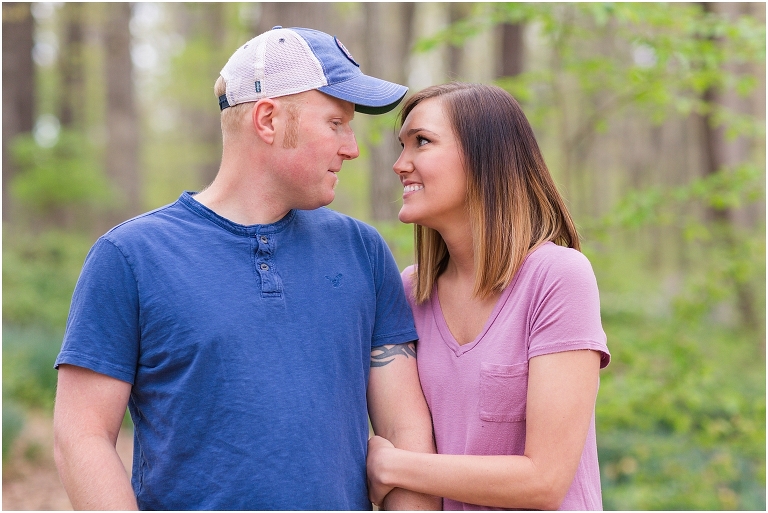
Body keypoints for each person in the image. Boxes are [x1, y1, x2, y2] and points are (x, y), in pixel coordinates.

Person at [53, 26, 439, 511]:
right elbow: (81, 436)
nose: (353, 148)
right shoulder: (130, 256)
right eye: (336, 123)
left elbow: (404, 432)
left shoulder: (363, 251)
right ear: (268, 119)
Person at [365, 82, 611, 510]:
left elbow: (545, 480)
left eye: (421, 142)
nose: (399, 164)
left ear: (485, 160)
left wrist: (392, 466)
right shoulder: (409, 292)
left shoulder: (557, 278)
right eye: (401, 145)